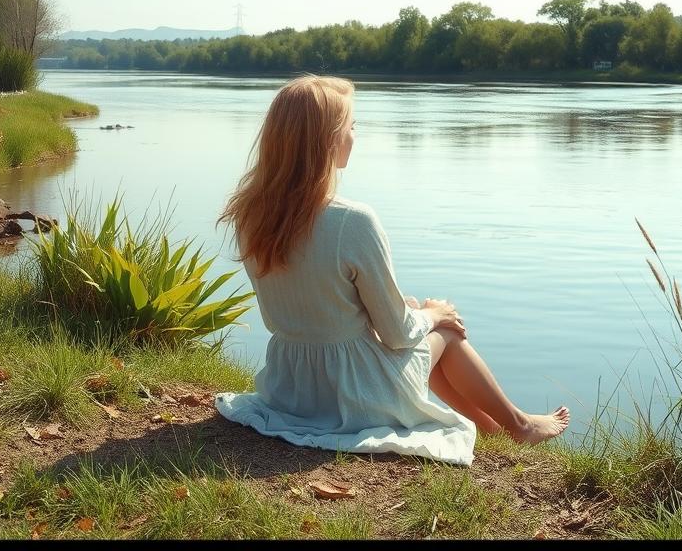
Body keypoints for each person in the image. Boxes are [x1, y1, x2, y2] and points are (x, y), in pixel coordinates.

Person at [214, 75, 569, 466]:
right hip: (355, 394)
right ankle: (518, 424)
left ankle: (494, 430)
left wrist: (409, 312)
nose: (355, 135)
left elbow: (302, 308)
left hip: (291, 386)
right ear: (328, 139)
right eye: (351, 126)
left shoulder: (250, 213)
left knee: (422, 327)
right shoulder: (352, 221)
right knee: (446, 331)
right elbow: (398, 335)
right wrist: (432, 315)